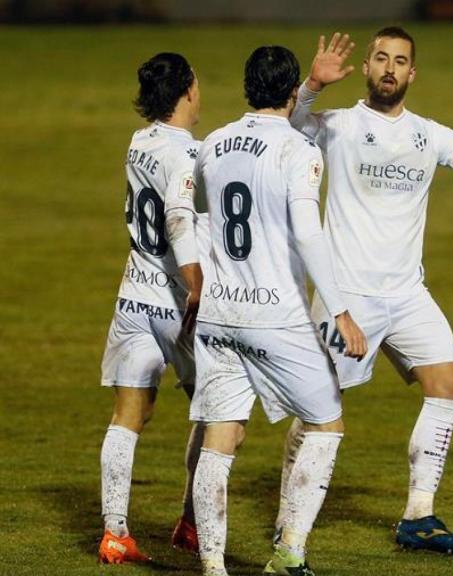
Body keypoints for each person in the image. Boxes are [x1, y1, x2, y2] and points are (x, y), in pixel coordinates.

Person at [282, 27, 453, 554]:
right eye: (382, 59)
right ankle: (288, 518)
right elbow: (290, 123)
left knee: (449, 387)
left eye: (401, 61)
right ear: (366, 68)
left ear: (413, 74)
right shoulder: (338, 126)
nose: (390, 68)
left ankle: (419, 514)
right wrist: (312, 86)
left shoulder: (430, 135)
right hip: (348, 296)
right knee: (319, 409)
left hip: (408, 294)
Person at [188, 45, 367, 576]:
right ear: (293, 92)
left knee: (222, 438)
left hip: (220, 315)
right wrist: (340, 311)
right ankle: (289, 553)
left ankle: (214, 567)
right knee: (326, 423)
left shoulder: (213, 145)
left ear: (248, 88)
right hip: (276, 315)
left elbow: (199, 221)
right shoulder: (298, 151)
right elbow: (309, 234)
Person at [98, 51, 206, 563]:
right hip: (175, 304)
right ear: (187, 90)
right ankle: (191, 521)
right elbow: (179, 222)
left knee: (128, 416)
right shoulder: (187, 155)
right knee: (216, 413)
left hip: (131, 296)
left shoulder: (139, 142)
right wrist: (196, 285)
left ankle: (115, 531)